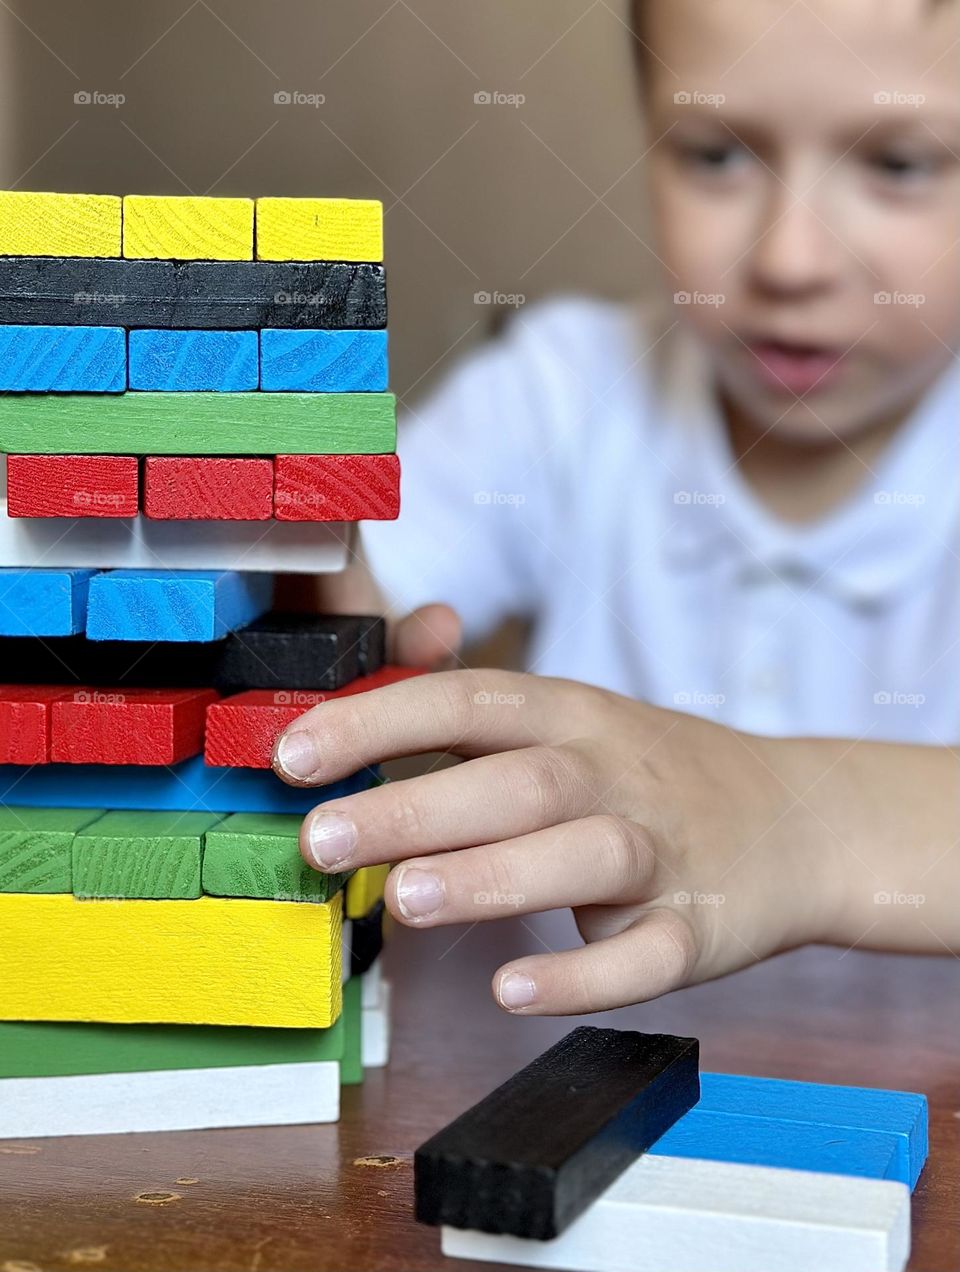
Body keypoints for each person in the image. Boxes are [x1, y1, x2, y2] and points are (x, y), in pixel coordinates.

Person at [275, 0, 960, 1015]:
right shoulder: (564, 392)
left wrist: (786, 817)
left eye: (900, 164)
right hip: (566, 1082)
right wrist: (277, 565)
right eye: (717, 153)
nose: (791, 259)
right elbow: (347, 587)